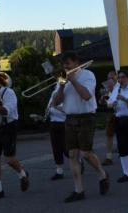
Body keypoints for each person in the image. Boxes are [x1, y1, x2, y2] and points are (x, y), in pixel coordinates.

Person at [52, 51, 110, 203]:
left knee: (85, 153)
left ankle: (102, 173)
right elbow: (55, 102)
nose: (65, 67)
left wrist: (72, 80)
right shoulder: (62, 78)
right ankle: (79, 190)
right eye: (63, 64)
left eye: (68, 64)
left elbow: (86, 96)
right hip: (70, 118)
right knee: (72, 154)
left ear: (76, 63)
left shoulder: (88, 75)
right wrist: (61, 86)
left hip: (86, 117)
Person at [0, 72, 30, 201]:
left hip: (8, 127)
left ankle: (23, 174)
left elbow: (5, 111)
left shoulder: (9, 93)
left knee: (9, 159)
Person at [106, 69, 128, 183]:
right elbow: (109, 103)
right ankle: (126, 173)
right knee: (122, 146)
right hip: (119, 119)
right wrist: (111, 104)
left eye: (123, 77)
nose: (120, 80)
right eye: (119, 77)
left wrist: (123, 98)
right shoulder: (117, 89)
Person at [46, 84, 68, 181]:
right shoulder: (53, 93)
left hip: (64, 123)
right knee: (56, 148)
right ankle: (59, 171)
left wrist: (55, 106)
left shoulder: (67, 92)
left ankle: (79, 161)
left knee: (66, 149)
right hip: (53, 123)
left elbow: (67, 110)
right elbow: (49, 108)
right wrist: (46, 112)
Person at [99, 71, 118, 166]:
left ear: (116, 78)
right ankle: (108, 157)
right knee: (109, 135)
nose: (110, 80)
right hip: (111, 114)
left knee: (125, 134)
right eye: (108, 78)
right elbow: (101, 103)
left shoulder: (120, 87)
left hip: (121, 114)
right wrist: (103, 96)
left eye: (112, 78)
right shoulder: (106, 89)